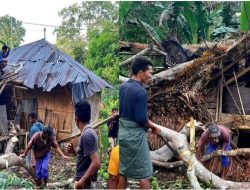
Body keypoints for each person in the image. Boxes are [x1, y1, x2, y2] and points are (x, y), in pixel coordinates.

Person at [118, 56, 161, 189]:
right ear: (141, 72)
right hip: (135, 137)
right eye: (150, 72)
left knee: (123, 171)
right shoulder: (141, 91)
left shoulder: (123, 87)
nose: (151, 75)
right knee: (144, 173)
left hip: (123, 133)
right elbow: (141, 119)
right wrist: (154, 127)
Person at [66, 100, 101, 189]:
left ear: (76, 118)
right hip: (84, 182)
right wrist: (74, 152)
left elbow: (96, 163)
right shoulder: (88, 132)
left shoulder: (87, 134)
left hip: (85, 184)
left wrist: (81, 182)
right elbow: (86, 158)